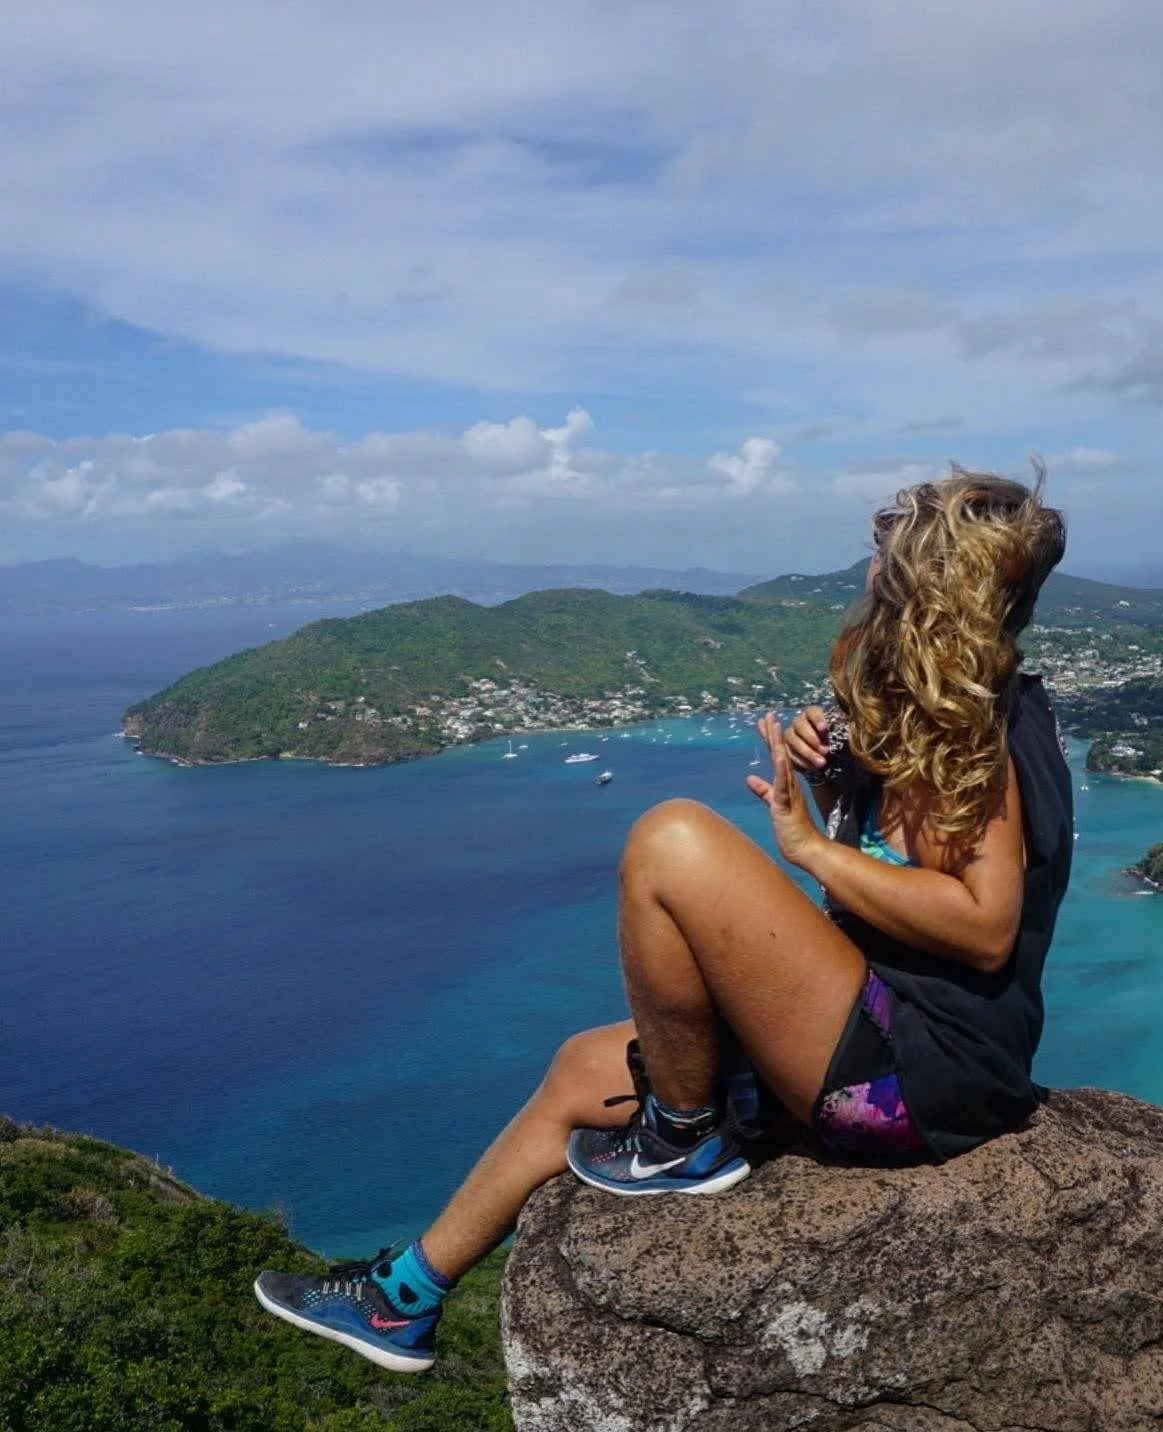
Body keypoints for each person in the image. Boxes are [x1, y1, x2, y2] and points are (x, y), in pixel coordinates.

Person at [253, 466, 1073, 1373]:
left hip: (924, 1074)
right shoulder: (938, 713)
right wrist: (843, 782)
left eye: (887, 562)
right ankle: (402, 1300)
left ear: (932, 590)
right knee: (579, 1069)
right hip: (875, 1029)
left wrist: (810, 849)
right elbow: (907, 871)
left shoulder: (984, 731)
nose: (869, 576)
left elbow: (984, 924)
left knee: (671, 840)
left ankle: (683, 1135)